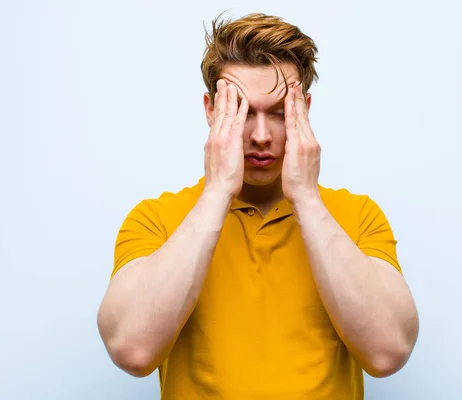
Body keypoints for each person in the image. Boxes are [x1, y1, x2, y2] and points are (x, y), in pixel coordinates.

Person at [97, 12, 419, 400]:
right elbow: (133, 350)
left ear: (305, 110)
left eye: (280, 114)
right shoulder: (157, 219)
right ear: (211, 110)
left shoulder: (357, 216)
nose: (262, 136)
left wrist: (306, 197)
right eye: (243, 112)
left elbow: (388, 353)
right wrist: (217, 191)